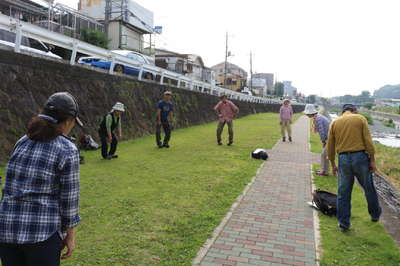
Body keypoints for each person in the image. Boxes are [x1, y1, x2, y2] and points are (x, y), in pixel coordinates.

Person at [0, 92, 82, 266]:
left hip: (6, 229)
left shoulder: (23, 141)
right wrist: (70, 236)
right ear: (68, 121)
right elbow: (69, 200)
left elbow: (8, 186)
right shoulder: (67, 149)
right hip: (42, 233)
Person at [327, 104, 381, 232]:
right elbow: (368, 141)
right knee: (368, 187)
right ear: (354, 110)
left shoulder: (335, 122)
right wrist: (372, 160)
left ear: (343, 111)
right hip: (360, 157)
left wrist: (333, 164)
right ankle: (375, 215)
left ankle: (344, 224)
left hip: (343, 159)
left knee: (343, 192)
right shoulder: (360, 118)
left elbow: (330, 146)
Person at [304, 104, 331, 176]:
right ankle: (324, 170)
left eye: (307, 113)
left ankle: (324, 171)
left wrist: (323, 141)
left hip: (330, 138)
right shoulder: (318, 117)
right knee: (325, 154)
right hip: (328, 137)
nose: (306, 115)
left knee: (324, 155)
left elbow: (321, 131)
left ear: (310, 113)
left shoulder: (318, 119)